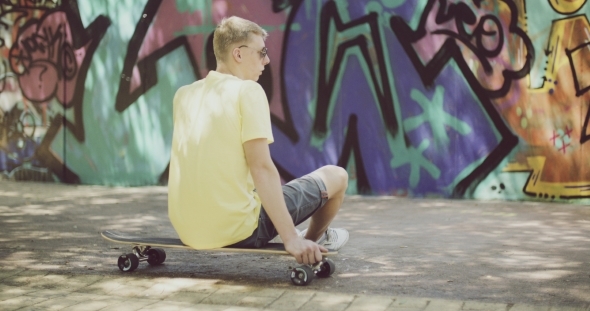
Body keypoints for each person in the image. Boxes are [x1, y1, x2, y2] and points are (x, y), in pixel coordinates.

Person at [168, 16, 349, 265]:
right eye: (262, 52)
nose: (267, 60)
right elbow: (261, 168)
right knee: (337, 176)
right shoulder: (248, 91)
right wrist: (289, 239)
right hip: (237, 231)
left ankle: (301, 236)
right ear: (238, 54)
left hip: (187, 230)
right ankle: (308, 240)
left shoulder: (183, 94)